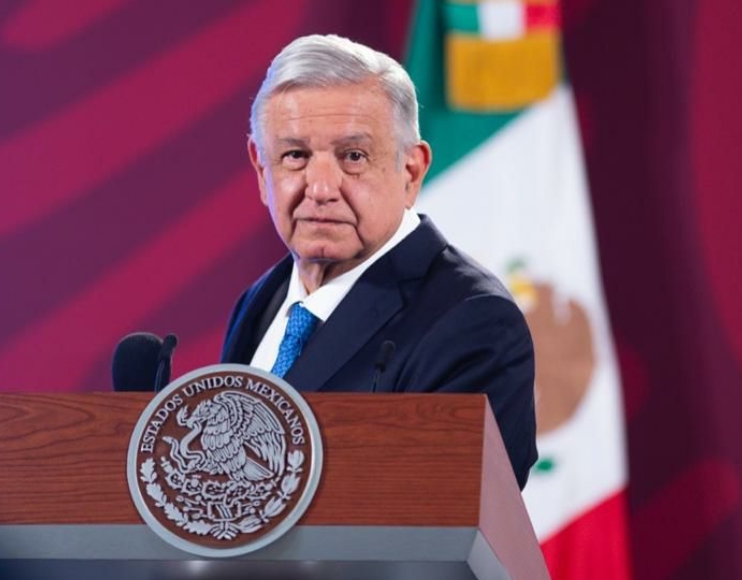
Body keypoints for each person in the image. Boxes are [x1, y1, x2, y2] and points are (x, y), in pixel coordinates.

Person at [220, 34, 537, 489]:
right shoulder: (262, 301)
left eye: (353, 156)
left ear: (411, 171)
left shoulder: (475, 322)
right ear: (260, 168)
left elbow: (445, 511)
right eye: (295, 156)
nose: (320, 188)